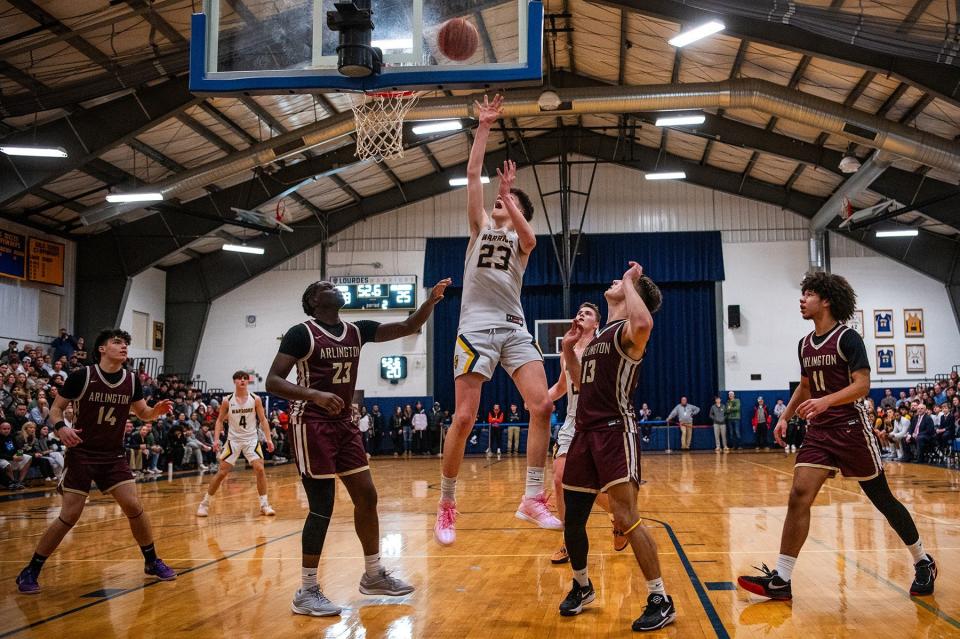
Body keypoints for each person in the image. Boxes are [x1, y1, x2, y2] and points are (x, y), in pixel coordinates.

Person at [738, 272, 936, 601]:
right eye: (802, 294)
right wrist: (784, 416)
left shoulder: (848, 339)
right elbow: (805, 386)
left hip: (850, 427)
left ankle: (923, 561)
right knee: (799, 493)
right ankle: (781, 579)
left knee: (882, 499)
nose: (802, 299)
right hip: (820, 431)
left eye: (809, 294)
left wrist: (826, 400)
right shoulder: (804, 344)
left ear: (826, 300)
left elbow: (862, 385)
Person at [266, 277, 450, 616]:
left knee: (367, 496)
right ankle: (306, 591)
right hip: (311, 424)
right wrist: (314, 394)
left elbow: (409, 326)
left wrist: (430, 302)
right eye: (325, 285)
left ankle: (374, 574)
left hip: (344, 425)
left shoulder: (356, 329)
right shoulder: (301, 333)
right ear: (314, 301)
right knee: (322, 506)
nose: (332, 286)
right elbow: (273, 380)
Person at [435, 93, 560, 546]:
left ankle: (531, 497)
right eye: (500, 202)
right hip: (474, 330)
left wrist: (511, 195)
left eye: (507, 203)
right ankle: (447, 504)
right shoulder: (480, 228)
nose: (500, 204)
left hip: (513, 327)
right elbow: (471, 175)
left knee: (542, 404)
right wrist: (484, 126)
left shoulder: (523, 240)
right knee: (465, 418)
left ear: (518, 211)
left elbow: (531, 237)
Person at [557, 262, 675, 631]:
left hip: (614, 431)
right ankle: (582, 585)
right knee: (573, 520)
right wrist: (567, 353)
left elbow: (644, 324)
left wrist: (630, 281)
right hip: (584, 432)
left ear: (632, 295)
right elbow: (580, 383)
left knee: (625, 516)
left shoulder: (627, 331)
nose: (613, 281)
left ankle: (660, 597)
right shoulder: (598, 336)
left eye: (620, 283)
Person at [16, 328, 177, 594]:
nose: (124, 346)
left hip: (113, 454)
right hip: (82, 453)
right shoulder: (82, 376)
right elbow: (55, 409)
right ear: (102, 349)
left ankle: (151, 560)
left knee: (133, 505)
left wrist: (155, 412)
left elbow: (143, 413)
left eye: (126, 343)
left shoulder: (132, 380)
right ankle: (32, 568)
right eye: (117, 342)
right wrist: (61, 427)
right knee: (69, 515)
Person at [546, 302, 624, 565]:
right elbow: (561, 386)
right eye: (579, 312)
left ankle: (618, 513)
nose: (581, 315)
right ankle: (568, 541)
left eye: (588, 313)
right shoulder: (567, 350)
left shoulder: (600, 349)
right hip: (571, 421)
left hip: (596, 421)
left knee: (587, 487)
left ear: (596, 324)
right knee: (559, 479)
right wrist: (541, 399)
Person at [197, 371, 276, 518]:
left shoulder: (255, 399)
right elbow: (219, 420)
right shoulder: (227, 400)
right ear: (234, 381)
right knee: (222, 473)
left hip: (251, 439)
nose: (243, 381)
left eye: (245, 379)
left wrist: (268, 438)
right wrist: (215, 440)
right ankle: (204, 503)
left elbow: (263, 420)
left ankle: (264, 505)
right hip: (233, 440)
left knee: (259, 468)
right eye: (240, 379)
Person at [1, 420, 32, 489]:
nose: (6, 430)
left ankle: (20, 481)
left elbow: (19, 448)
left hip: (13, 457)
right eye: (4, 429)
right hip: (3, 459)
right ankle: (13, 482)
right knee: (6, 464)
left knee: (29, 457)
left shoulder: (11, 437)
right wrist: (12, 458)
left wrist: (19, 454)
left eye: (8, 429)